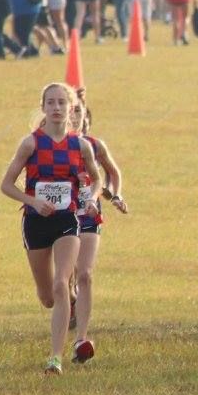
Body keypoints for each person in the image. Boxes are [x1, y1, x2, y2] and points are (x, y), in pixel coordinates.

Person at [0, 83, 99, 375]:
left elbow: (96, 179)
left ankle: (55, 357)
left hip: (67, 221)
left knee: (61, 282)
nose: (56, 108)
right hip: (35, 223)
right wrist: (32, 200)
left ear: (70, 108)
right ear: (43, 107)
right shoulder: (30, 143)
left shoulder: (80, 146)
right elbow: (6, 185)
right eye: (51, 103)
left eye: (61, 103)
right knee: (47, 296)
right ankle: (66, 306)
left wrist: (91, 199)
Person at [69, 90, 126, 365]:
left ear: (85, 117)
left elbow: (111, 175)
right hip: (58, 218)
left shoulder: (94, 145)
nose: (73, 116)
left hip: (89, 215)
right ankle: (69, 301)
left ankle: (81, 338)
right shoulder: (45, 146)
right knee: (65, 279)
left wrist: (114, 195)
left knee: (85, 274)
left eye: (78, 111)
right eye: (70, 111)